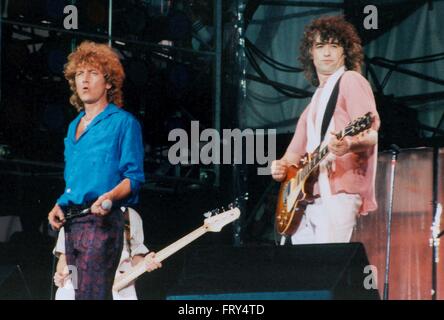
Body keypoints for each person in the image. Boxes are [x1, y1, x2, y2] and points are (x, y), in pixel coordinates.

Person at [47, 41, 159, 299]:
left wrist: (109, 197)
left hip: (101, 223)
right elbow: (73, 180)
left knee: (93, 294)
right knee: (73, 293)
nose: (84, 80)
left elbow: (134, 178)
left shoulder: (123, 123)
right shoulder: (73, 126)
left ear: (108, 82)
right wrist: (60, 203)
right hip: (72, 224)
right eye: (79, 74)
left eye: (93, 73)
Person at [271, 16, 380, 245]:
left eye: (334, 46)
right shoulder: (313, 106)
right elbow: (292, 156)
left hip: (339, 192)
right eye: (320, 46)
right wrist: (279, 168)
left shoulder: (350, 80)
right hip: (308, 198)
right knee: (305, 272)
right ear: (311, 53)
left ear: (345, 52)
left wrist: (348, 144)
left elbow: (371, 133)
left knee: (328, 268)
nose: (327, 53)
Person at [53, 207, 159, 300]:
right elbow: (64, 258)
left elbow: (137, 256)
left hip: (119, 288)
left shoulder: (129, 215)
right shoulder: (73, 214)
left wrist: (145, 263)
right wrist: (61, 274)